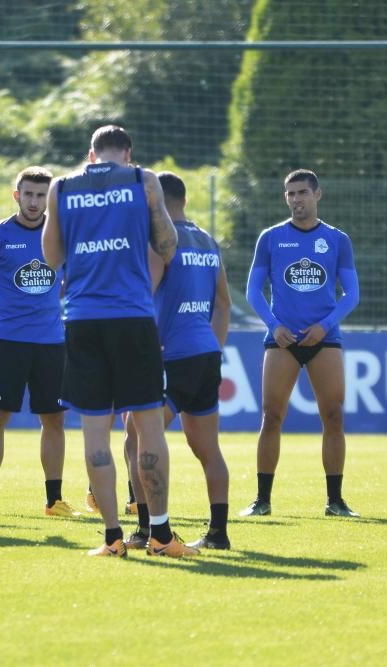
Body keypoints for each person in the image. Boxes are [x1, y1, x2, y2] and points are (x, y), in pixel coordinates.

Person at [42, 125, 197, 558]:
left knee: (96, 432)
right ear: (127, 154)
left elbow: (52, 257)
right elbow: (167, 244)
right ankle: (161, 536)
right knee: (149, 430)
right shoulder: (141, 180)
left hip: (83, 319)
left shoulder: (63, 187)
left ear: (91, 156)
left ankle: (112, 536)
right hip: (132, 318)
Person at [240, 169, 361, 519]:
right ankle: (262, 500)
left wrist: (325, 326)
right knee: (272, 415)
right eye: (290, 194)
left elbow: (351, 293)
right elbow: (253, 290)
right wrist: (274, 326)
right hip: (282, 340)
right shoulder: (271, 238)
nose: (296, 199)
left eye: (302, 192)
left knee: (333, 416)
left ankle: (335, 501)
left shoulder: (337, 240)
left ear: (317, 195)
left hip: (325, 340)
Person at [122, 171, 233, 550]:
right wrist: (214, 348)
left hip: (170, 355)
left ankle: (145, 529)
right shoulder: (207, 240)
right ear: (183, 200)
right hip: (205, 354)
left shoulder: (160, 240)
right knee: (208, 449)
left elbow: (144, 297)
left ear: (156, 199)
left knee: (136, 438)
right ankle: (218, 533)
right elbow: (223, 304)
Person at [0, 166, 80, 518]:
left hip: (51, 343)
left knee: (55, 420)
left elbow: (67, 281)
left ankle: (54, 500)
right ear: (16, 195)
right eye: (28, 194)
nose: (33, 202)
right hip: (8, 342)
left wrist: (46, 305)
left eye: (40, 195)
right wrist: (6, 311)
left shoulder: (61, 236)